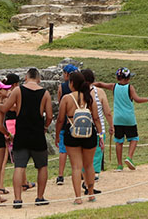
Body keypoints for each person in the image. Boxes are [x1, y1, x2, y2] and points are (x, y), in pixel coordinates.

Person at [0, 67, 52, 208]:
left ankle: (18, 199)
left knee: (19, 167)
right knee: (42, 166)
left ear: (26, 78)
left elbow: (5, 108)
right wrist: (45, 127)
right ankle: (40, 197)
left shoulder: (18, 90)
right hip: (38, 134)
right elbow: (50, 116)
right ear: (39, 79)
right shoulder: (45, 93)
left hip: (21, 134)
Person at [55, 71, 103, 204]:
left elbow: (60, 119)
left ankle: (78, 197)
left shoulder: (66, 98)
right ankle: (91, 193)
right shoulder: (89, 97)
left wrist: (58, 135)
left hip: (72, 133)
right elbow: (96, 118)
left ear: (71, 83)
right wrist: (101, 135)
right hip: (89, 133)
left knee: (76, 167)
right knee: (89, 165)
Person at [95, 67, 148, 170]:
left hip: (117, 119)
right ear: (128, 78)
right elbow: (137, 99)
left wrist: (89, 85)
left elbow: (100, 84)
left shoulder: (114, 86)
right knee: (134, 138)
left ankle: (119, 165)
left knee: (119, 141)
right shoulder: (130, 88)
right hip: (129, 118)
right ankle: (129, 157)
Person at [81, 69, 111, 188]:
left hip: (81, 127)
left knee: (83, 152)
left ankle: (83, 172)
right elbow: (107, 112)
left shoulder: (77, 93)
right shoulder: (99, 92)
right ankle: (95, 172)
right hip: (98, 127)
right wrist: (111, 125)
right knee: (97, 152)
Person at [55, 63, 78, 186]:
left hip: (65, 121)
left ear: (67, 74)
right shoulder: (80, 87)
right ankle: (80, 172)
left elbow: (60, 105)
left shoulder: (62, 87)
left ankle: (60, 175)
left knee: (63, 150)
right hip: (78, 122)